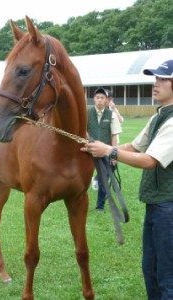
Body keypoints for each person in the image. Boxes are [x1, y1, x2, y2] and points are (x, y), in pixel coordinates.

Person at [81, 60, 173, 299]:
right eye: (156, 79)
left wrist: (109, 151)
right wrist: (96, 148)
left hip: (169, 208)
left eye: (163, 79)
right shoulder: (159, 117)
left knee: (167, 276)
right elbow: (133, 146)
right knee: (150, 269)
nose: (156, 84)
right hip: (157, 205)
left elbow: (148, 160)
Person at [87, 88, 122, 211]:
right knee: (80, 177)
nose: (100, 100)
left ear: (106, 100)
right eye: (98, 97)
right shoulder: (87, 113)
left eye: (102, 98)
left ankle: (100, 206)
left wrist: (113, 155)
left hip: (104, 152)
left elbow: (114, 135)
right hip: (88, 151)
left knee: (103, 181)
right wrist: (89, 140)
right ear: (94, 99)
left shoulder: (111, 114)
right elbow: (83, 130)